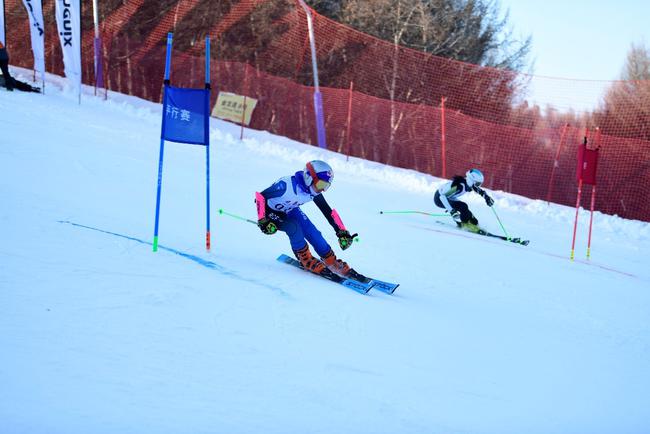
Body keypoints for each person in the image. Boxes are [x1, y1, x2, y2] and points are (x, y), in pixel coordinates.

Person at [255, 160, 362, 280]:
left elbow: (327, 211)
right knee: (294, 227)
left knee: (312, 231)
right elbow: (260, 197)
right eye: (321, 184)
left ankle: (331, 260)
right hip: (271, 213)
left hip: (290, 210)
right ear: (309, 177)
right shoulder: (286, 186)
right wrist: (263, 220)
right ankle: (305, 258)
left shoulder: (313, 191)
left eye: (326, 186)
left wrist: (341, 231)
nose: (322, 190)